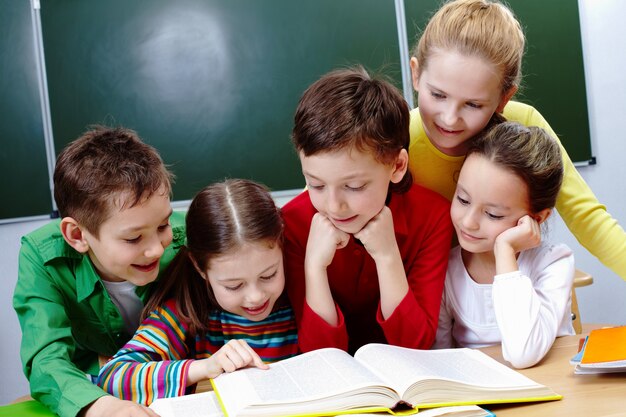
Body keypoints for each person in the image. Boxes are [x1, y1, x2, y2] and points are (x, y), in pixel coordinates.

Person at [408, 0, 626, 280]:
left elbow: (588, 218)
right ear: (416, 74)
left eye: (473, 105)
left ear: (504, 99)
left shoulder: (522, 124)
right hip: (426, 295)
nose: (450, 118)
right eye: (438, 95)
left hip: (503, 287)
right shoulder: (394, 138)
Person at [13, 126, 186, 417]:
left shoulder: (190, 238)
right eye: (133, 239)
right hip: (97, 393)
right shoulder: (41, 256)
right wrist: (104, 407)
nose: (157, 248)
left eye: (162, 226)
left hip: (176, 387)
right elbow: (46, 360)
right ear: (77, 235)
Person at [282, 67, 454, 354]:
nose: (334, 206)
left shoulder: (433, 217)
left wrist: (387, 257)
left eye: (354, 186)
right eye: (316, 185)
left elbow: (415, 345)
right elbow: (318, 357)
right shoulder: (292, 223)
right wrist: (314, 268)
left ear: (397, 166)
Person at [97, 179, 298, 404]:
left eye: (268, 275)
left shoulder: (300, 298)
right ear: (200, 268)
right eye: (234, 286)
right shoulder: (187, 312)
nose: (255, 296)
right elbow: (112, 378)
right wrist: (205, 367)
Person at [434, 121, 575, 369]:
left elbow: (523, 353)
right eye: (463, 199)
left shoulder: (553, 263)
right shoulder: (447, 269)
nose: (468, 222)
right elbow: (440, 358)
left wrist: (505, 251)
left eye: (493, 215)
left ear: (537, 218)